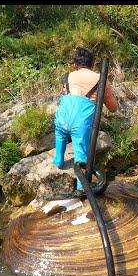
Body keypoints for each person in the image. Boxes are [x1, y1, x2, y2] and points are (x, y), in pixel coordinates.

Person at [53, 47, 118, 191]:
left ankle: (58, 160)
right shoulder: (101, 79)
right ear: (92, 64)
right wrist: (108, 88)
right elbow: (113, 107)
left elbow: (65, 95)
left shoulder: (68, 76)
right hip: (80, 123)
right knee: (81, 152)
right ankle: (81, 189)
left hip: (62, 118)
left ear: (75, 65)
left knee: (60, 134)